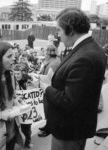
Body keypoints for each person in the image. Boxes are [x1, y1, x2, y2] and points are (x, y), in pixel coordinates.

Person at [39, 8, 107, 150]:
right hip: (72, 127)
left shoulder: (86, 56)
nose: (58, 35)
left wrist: (46, 87)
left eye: (59, 30)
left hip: (69, 131)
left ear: (70, 30)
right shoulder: (86, 48)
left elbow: (70, 101)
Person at [36, 45, 61, 137]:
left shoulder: (53, 64)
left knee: (49, 109)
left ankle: (49, 129)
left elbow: (48, 79)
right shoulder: (54, 61)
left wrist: (36, 76)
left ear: (48, 53)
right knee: (49, 109)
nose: (43, 54)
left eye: (45, 52)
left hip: (51, 89)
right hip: (53, 88)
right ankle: (47, 126)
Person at [14, 62, 38, 149]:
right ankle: (18, 141)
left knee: (27, 127)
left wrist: (32, 82)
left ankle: (27, 142)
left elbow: (36, 91)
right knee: (16, 127)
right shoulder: (13, 82)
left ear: (23, 73)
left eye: (18, 74)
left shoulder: (29, 81)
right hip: (17, 107)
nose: (16, 75)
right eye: (15, 73)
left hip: (27, 109)